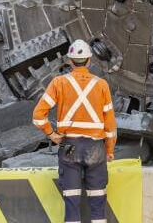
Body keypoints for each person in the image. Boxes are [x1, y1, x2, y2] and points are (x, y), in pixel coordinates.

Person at [32, 39, 117, 223]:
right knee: (97, 204)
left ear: (70, 61)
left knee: (71, 203)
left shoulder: (58, 83)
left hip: (69, 147)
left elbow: (38, 116)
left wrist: (52, 134)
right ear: (90, 60)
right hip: (96, 149)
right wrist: (109, 151)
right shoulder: (101, 85)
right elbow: (110, 126)